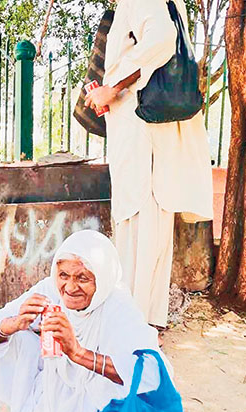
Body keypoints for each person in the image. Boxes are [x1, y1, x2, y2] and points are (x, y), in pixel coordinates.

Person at [0, 230, 167, 412]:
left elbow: (152, 373)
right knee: (19, 339)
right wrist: (14, 323)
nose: (70, 287)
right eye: (63, 275)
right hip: (54, 390)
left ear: (102, 278)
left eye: (83, 278)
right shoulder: (49, 290)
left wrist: (78, 353)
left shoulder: (118, 307)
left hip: (93, 397)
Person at [85, 0, 213, 329]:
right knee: (146, 228)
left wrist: (112, 88)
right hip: (146, 133)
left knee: (139, 226)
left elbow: (161, 38)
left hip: (141, 136)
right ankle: (144, 322)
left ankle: (133, 324)